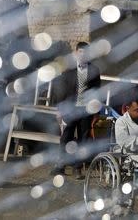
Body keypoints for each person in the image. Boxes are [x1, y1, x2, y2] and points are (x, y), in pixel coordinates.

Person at [51, 42, 101, 179]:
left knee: (83, 139)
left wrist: (96, 112)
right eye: (80, 52)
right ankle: (60, 165)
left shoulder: (94, 70)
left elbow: (97, 92)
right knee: (66, 136)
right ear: (76, 53)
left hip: (86, 110)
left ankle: (78, 168)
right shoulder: (69, 70)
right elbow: (61, 91)